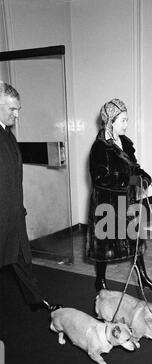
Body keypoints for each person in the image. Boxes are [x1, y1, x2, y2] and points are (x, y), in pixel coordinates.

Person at [86, 98, 152, 292]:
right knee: (104, 243)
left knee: (135, 239)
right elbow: (100, 178)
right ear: (110, 121)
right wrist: (129, 180)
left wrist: (143, 176)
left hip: (127, 201)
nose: (126, 125)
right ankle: (100, 279)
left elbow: (133, 167)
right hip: (107, 202)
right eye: (123, 120)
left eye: (127, 120)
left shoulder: (125, 143)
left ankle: (143, 277)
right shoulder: (100, 146)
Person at [0, 81, 61, 312]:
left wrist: (19, 207)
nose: (16, 114)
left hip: (13, 213)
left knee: (23, 259)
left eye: (18, 109)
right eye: (11, 109)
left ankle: (36, 299)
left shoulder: (7, 133)